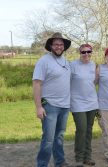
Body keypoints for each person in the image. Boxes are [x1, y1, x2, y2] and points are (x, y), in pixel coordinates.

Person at [32, 32, 72, 167]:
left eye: (61, 44)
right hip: (50, 105)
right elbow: (37, 83)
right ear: (50, 46)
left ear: (64, 46)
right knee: (48, 139)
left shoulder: (66, 62)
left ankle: (60, 162)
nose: (58, 46)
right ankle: (42, 164)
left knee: (59, 137)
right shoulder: (44, 61)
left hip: (65, 106)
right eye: (55, 44)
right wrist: (38, 107)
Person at [70, 44, 98, 167]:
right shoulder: (73, 66)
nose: (86, 54)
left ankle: (88, 157)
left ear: (91, 52)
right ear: (79, 53)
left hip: (92, 103)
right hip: (77, 103)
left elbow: (96, 82)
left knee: (89, 130)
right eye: (83, 52)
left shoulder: (94, 65)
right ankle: (79, 158)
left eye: (88, 52)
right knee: (81, 129)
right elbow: (65, 82)